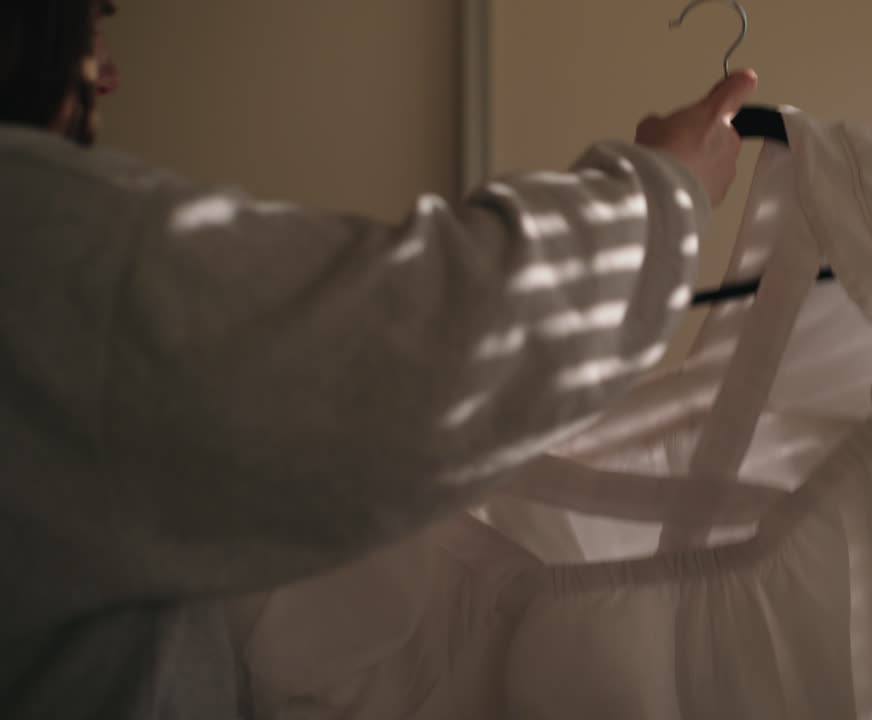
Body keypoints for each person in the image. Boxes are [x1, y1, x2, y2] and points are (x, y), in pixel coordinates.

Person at [0, 1, 759, 717]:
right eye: (91, 25)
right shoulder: (42, 245)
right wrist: (665, 192)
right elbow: (425, 339)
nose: (108, 72)